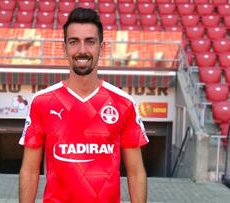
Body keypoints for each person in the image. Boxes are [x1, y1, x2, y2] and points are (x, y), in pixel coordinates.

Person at [19, 7, 149, 203]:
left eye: (90, 41)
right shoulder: (42, 102)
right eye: (74, 42)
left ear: (101, 48)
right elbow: (29, 170)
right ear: (64, 48)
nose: (82, 50)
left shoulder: (124, 103)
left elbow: (136, 173)